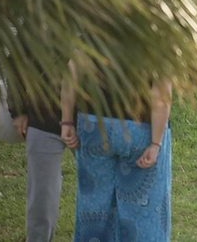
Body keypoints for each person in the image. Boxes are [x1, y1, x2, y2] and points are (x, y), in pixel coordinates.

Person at [62, 78, 173, 241]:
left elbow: (72, 71)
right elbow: (161, 93)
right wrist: (156, 143)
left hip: (94, 124)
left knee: (94, 212)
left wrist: (66, 120)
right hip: (140, 128)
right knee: (144, 217)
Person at [9, 88, 64, 242]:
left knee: (98, 197)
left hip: (89, 119)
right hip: (43, 119)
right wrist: (18, 110)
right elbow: (15, 66)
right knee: (41, 200)